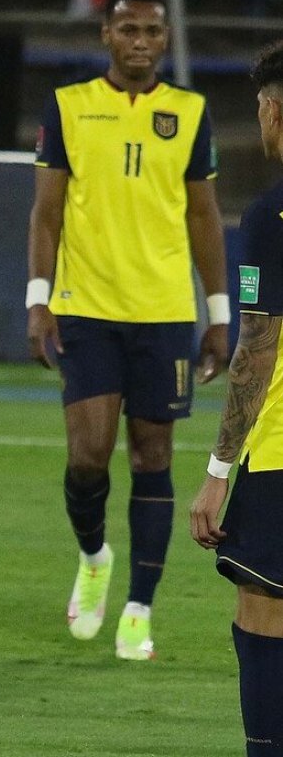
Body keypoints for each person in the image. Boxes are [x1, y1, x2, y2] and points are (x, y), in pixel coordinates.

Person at [26, 0, 229, 660]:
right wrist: (37, 298)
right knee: (87, 456)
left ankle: (139, 607)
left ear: (165, 39)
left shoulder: (189, 112)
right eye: (128, 29)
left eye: (152, 31)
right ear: (106, 36)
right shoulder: (69, 106)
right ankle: (93, 557)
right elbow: (46, 213)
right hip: (85, 307)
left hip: (165, 312)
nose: (141, 42)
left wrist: (218, 314)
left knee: (153, 455)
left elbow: (203, 216)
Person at [189, 40, 283, 757]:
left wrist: (218, 472)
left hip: (279, 453)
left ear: (275, 113)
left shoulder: (271, 216)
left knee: (263, 610)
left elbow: (256, 348)